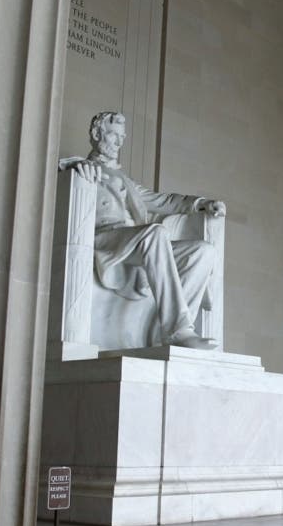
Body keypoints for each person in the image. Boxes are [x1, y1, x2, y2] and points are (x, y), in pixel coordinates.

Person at [62, 111, 224, 350]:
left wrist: (200, 204)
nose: (119, 142)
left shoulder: (126, 181)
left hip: (135, 242)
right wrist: (78, 166)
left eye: (122, 137)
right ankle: (178, 330)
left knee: (203, 252)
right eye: (113, 135)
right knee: (156, 233)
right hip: (105, 241)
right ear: (97, 134)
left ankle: (171, 331)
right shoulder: (80, 167)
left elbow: (164, 200)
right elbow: (55, 170)